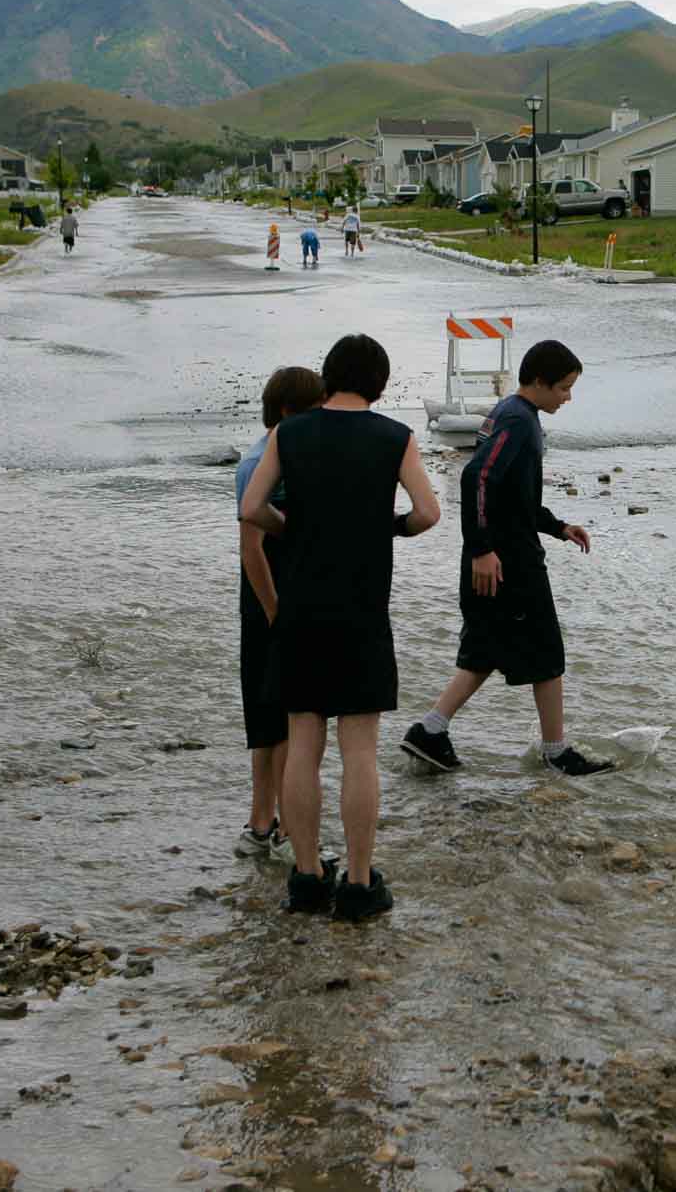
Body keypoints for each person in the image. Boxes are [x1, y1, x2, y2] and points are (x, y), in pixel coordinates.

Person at [240, 334, 441, 920]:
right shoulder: (394, 437)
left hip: (301, 607)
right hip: (362, 610)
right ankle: (357, 883)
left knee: (303, 742)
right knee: (360, 748)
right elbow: (428, 514)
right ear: (379, 383)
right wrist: (388, 529)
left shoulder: (289, 433)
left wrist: (291, 531)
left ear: (329, 377)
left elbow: (252, 507)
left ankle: (305, 878)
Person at [399, 339, 612, 778]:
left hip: (495, 556)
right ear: (539, 381)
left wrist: (557, 526)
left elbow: (512, 495)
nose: (568, 397)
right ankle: (556, 751)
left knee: (484, 649)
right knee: (548, 652)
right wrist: (481, 549)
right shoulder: (517, 420)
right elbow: (477, 477)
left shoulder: (511, 414)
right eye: (565, 388)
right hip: (507, 562)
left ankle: (430, 730)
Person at [233, 365, 325, 863]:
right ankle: (288, 830)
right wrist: (276, 614)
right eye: (316, 411)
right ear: (289, 412)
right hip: (271, 602)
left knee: (269, 717)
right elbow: (251, 548)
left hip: (274, 601)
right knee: (288, 720)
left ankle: (260, 825)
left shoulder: (281, 454)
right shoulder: (260, 464)